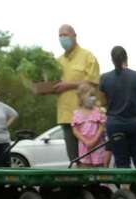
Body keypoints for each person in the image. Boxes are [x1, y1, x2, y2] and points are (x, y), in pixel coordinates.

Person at [52, 25, 100, 162]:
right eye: (60, 36)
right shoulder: (57, 61)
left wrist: (69, 85)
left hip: (86, 117)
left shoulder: (87, 56)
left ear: (74, 36)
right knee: (74, 159)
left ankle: (93, 184)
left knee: (90, 159)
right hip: (66, 117)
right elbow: (53, 85)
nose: (62, 38)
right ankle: (79, 184)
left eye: (65, 35)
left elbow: (93, 83)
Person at [99, 46, 136, 168]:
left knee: (121, 162)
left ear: (112, 60)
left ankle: (125, 187)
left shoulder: (105, 78)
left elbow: (101, 101)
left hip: (115, 125)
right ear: (126, 58)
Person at [71, 83, 110, 167]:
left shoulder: (99, 111)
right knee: (85, 167)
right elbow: (75, 130)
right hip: (84, 146)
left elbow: (102, 127)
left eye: (94, 95)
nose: (93, 98)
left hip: (98, 145)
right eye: (90, 96)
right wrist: (86, 141)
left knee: (99, 166)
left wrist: (93, 141)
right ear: (81, 97)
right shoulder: (76, 113)